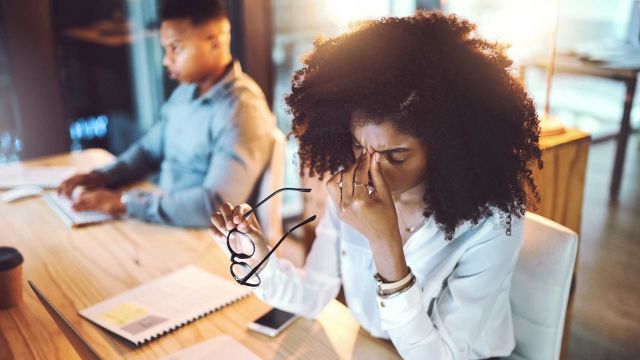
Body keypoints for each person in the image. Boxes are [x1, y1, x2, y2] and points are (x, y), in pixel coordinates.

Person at [210, 12, 542, 359]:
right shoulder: (350, 188)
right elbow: (312, 295)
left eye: (396, 155)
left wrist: (385, 242)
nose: (370, 170)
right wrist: (258, 255)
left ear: (446, 148)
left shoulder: (487, 225)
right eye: (359, 146)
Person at [58, 0, 276, 227]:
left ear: (214, 43)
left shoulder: (242, 109)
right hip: (165, 218)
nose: (166, 60)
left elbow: (217, 205)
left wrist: (125, 203)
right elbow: (148, 151)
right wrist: (101, 177)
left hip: (206, 236)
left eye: (175, 48)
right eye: (166, 49)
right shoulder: (185, 91)